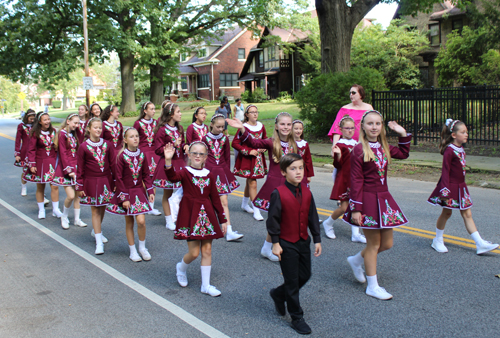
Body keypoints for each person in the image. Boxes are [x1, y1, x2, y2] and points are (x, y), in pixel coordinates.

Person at [343, 110, 411, 300]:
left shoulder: (384, 147)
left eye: (377, 124)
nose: (374, 127)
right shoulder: (358, 149)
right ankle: (372, 286)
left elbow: (404, 154)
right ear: (363, 127)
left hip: (384, 198)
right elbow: (356, 180)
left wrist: (402, 133)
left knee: (387, 244)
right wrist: (356, 208)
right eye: (370, 124)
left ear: (382, 126)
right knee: (374, 244)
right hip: (366, 199)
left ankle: (356, 260)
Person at [227, 112, 298, 261]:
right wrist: (242, 129)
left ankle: (268, 247)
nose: (285, 127)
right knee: (276, 219)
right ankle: (270, 247)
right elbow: (253, 143)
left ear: (292, 126)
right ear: (277, 126)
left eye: (288, 124)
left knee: (284, 219)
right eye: (282, 124)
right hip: (275, 187)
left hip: (290, 187)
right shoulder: (271, 142)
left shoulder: (296, 144)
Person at [164, 142, 227, 297]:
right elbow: (172, 177)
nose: (198, 156)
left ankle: (206, 285)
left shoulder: (209, 174)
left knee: (207, 250)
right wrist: (168, 161)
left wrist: (223, 219)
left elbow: (215, 198)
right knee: (193, 253)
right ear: (189, 155)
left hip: (207, 215)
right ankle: (181, 268)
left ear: (205, 157)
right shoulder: (185, 172)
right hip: (190, 213)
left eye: (201, 154)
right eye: (195, 153)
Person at [267, 153, 321, 335]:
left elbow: (312, 216)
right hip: (286, 242)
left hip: (303, 241)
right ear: (283, 172)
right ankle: (297, 317)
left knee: (305, 275)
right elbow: (272, 221)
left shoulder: (307, 191)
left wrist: (317, 239)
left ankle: (278, 294)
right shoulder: (278, 193)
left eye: (300, 168)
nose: (298, 172)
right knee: (292, 281)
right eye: (293, 169)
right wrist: (275, 243)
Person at [427, 119, 499, 255]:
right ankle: (437, 239)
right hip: (450, 187)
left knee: (467, 213)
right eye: (463, 132)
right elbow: (445, 171)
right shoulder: (450, 150)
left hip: (461, 188)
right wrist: (444, 190)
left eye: (466, 132)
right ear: (454, 135)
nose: (466, 134)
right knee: (447, 213)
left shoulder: (460, 148)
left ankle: (480, 243)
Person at [106, 128, 155, 262]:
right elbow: (119, 178)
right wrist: (124, 198)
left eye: (137, 136)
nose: (135, 139)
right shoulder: (121, 157)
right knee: (129, 222)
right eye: (132, 137)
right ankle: (132, 250)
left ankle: (142, 248)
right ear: (125, 140)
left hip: (139, 191)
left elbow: (146, 174)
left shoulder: (142, 154)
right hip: (126, 192)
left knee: (141, 221)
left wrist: (150, 191)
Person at [322, 115, 366, 243]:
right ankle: (328, 223)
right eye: (347, 128)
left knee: (356, 206)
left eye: (352, 128)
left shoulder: (357, 144)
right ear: (341, 129)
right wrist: (338, 155)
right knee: (344, 208)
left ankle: (355, 234)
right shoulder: (340, 145)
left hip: (356, 179)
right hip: (344, 179)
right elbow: (337, 165)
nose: (350, 131)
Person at [76, 118, 116, 255]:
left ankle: (96, 230)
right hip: (91, 181)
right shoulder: (83, 147)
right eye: (95, 127)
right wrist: (80, 186)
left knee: (103, 206)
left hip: (106, 180)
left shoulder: (108, 144)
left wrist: (116, 181)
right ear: (89, 129)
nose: (98, 130)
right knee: (95, 210)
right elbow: (80, 168)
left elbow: (113, 164)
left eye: (100, 128)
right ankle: (99, 243)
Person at [202, 114, 243, 241]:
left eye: (222, 127)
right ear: (211, 125)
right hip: (209, 172)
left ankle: (229, 230)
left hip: (222, 172)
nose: (220, 129)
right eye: (218, 126)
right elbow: (203, 157)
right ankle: (207, 227)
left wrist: (227, 173)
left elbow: (226, 157)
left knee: (224, 202)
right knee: (208, 200)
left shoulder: (225, 139)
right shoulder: (204, 139)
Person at [153, 102, 188, 230]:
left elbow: (182, 144)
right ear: (171, 114)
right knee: (167, 193)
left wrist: (185, 146)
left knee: (184, 191)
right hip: (168, 164)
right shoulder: (162, 130)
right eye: (178, 112)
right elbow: (157, 149)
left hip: (180, 162)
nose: (181, 114)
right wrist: (173, 144)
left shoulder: (180, 129)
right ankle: (169, 220)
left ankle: (180, 216)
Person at [23, 111, 63, 219]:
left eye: (48, 119)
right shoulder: (35, 133)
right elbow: (31, 149)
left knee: (54, 185)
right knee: (40, 186)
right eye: (45, 120)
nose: (48, 122)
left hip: (52, 161)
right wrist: (32, 164)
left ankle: (56, 209)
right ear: (40, 122)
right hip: (40, 162)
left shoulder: (54, 131)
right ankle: (41, 209)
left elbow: (58, 146)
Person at [232, 105, 267, 221]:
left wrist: (264, 147)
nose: (255, 114)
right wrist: (248, 151)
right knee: (253, 183)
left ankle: (244, 204)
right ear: (246, 115)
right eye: (252, 112)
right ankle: (256, 209)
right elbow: (235, 143)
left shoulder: (261, 126)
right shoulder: (243, 127)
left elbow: (264, 139)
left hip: (258, 160)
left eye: (256, 112)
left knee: (250, 182)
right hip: (247, 159)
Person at [52, 113, 87, 229]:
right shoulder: (62, 134)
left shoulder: (74, 134)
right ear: (68, 121)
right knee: (71, 196)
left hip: (76, 166)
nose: (76, 125)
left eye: (78, 123)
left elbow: (82, 142)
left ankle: (77, 219)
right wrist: (69, 170)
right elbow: (63, 153)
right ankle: (64, 216)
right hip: (65, 169)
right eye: (74, 123)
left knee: (77, 196)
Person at [133, 101, 162, 216]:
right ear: (145, 111)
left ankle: (151, 207)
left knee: (153, 181)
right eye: (151, 109)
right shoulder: (138, 123)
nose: (154, 111)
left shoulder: (156, 123)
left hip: (154, 154)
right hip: (143, 154)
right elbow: (134, 138)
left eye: (154, 109)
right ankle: (141, 203)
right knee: (144, 181)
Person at [14, 109, 36, 196]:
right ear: (26, 117)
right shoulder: (21, 126)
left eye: (33, 118)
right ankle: (23, 187)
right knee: (25, 170)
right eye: (31, 118)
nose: (32, 120)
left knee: (37, 171)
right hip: (25, 151)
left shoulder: (36, 126)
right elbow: (18, 140)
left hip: (35, 152)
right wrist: (17, 153)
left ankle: (41, 191)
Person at [292, 120, 314, 184]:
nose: (298, 131)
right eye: (296, 129)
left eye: (300, 129)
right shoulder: (289, 143)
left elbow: (308, 160)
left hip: (303, 172)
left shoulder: (305, 144)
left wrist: (309, 175)